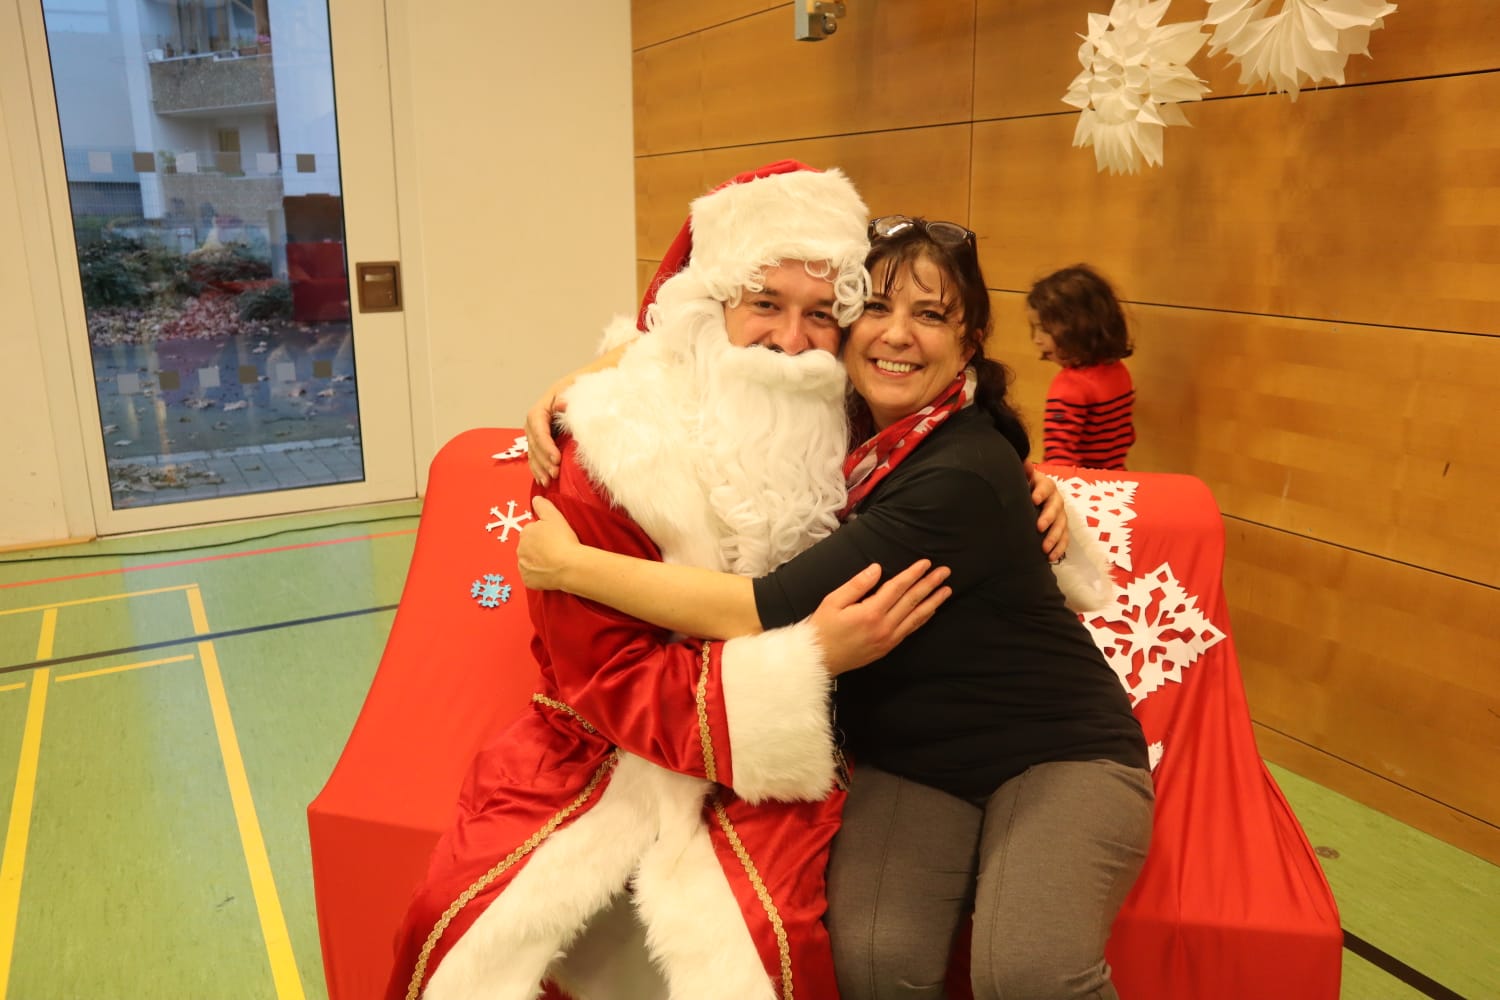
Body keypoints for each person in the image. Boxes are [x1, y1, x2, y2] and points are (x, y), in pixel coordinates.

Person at [388, 162, 990, 1000]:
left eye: (822, 315)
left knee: (771, 946)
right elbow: (598, 669)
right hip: (600, 744)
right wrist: (805, 661)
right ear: (709, 310)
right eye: (765, 306)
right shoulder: (605, 446)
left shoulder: (856, 416)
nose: (791, 343)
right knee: (459, 927)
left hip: (791, 760)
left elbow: (954, 432)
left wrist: (1040, 493)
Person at [519, 217, 1153, 1000]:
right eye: (875, 309)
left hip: (1056, 753)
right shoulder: (845, 418)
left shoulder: (959, 470)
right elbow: (704, 343)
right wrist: (591, 373)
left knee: (1026, 973)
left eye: (931, 314)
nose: (896, 335)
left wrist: (572, 566)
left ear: (972, 339)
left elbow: (760, 607)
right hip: (917, 764)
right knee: (876, 961)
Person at [1025, 264, 1136, 470]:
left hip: (1082, 490)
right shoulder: (1120, 372)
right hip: (1116, 480)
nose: (1036, 339)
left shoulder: (1069, 387)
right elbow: (1127, 436)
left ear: (1078, 328)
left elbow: (1060, 458)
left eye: (1043, 329)